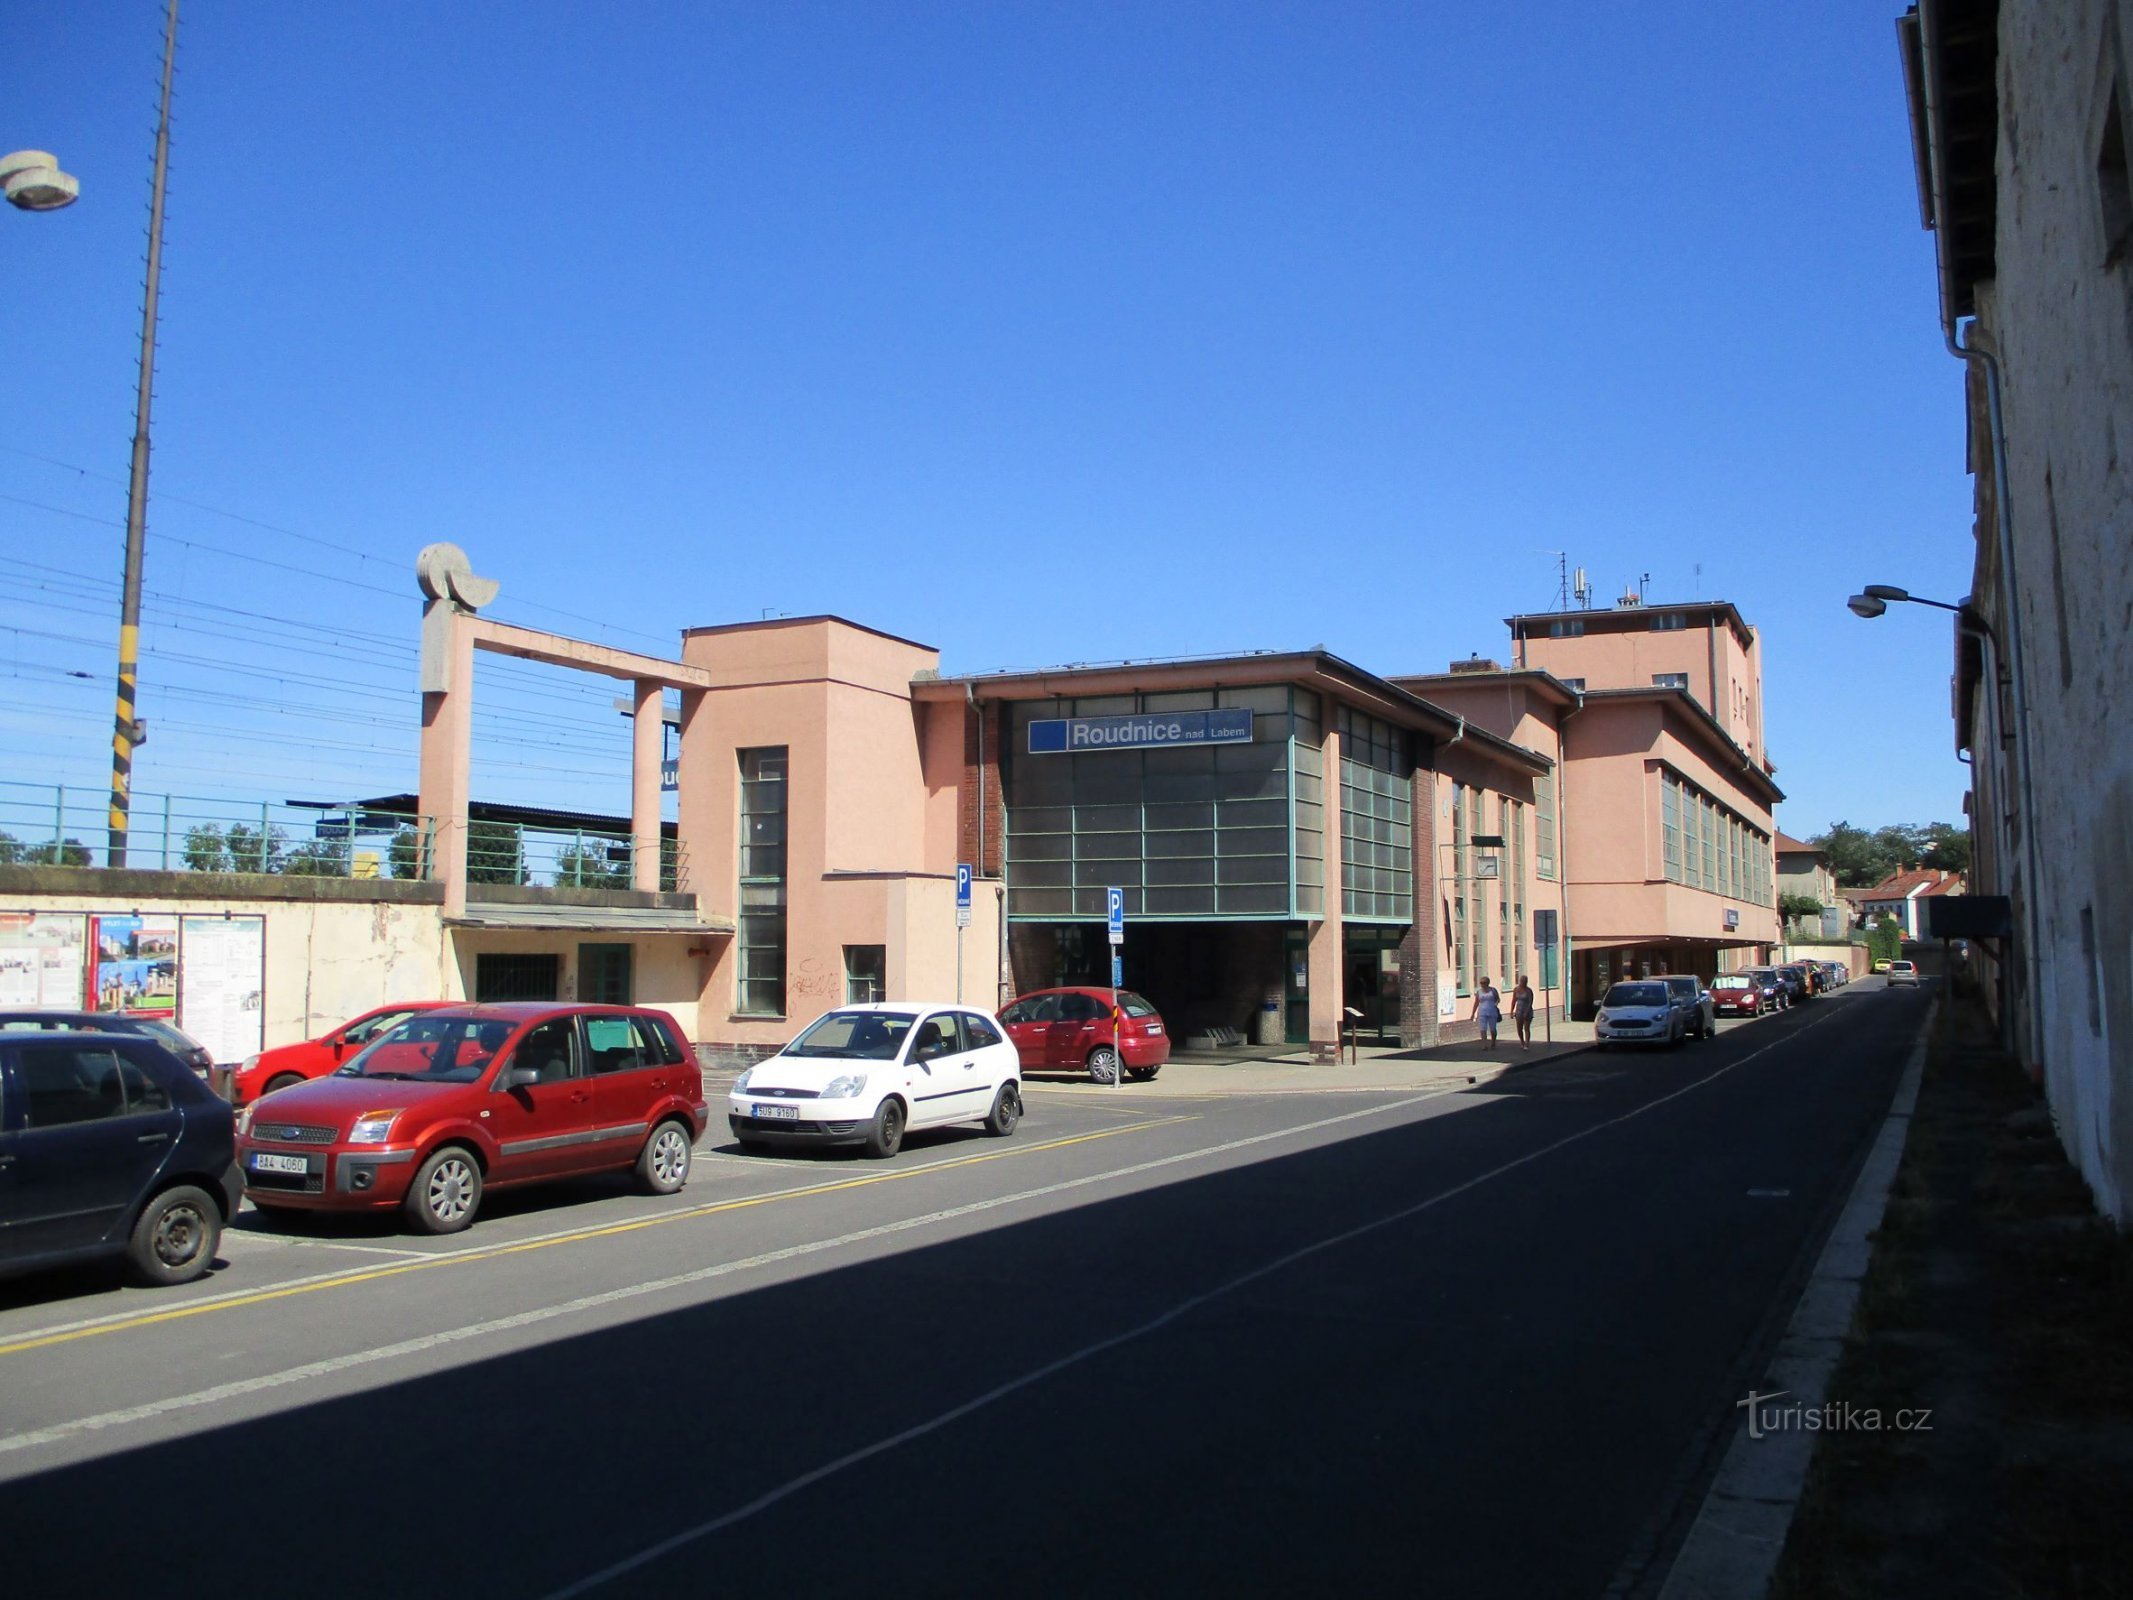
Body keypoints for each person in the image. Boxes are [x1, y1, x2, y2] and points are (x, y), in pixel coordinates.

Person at [1471, 976, 1502, 1048]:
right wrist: (1473, 1013)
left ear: (1488, 983)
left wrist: (1495, 1004)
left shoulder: (1493, 990)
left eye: (1484, 982)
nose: (1482, 984)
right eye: (1481, 983)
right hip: (1482, 1011)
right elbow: (1476, 1003)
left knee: (1493, 1028)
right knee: (1483, 1028)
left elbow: (1498, 999)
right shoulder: (1479, 992)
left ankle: (1493, 1041)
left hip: (1492, 1010)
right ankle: (1484, 1044)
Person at [1511, 974, 1536, 1050]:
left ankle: (1527, 1043)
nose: (1522, 982)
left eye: (1524, 981)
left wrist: (1526, 1012)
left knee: (1526, 1028)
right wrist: (1511, 1010)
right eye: (1521, 981)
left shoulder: (1529, 991)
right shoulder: (1516, 989)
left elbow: (1530, 1002)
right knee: (1519, 1028)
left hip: (1527, 1010)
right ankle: (1522, 1041)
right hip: (1518, 1010)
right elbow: (1513, 1000)